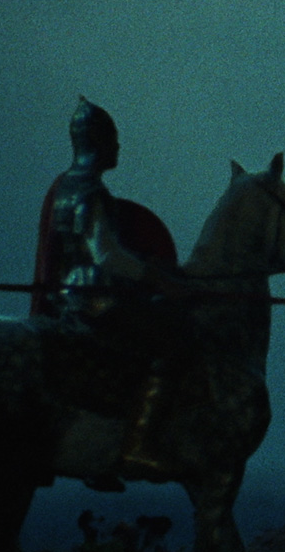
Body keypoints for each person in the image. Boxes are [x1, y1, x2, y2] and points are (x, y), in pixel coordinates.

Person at [33, 97, 188, 485]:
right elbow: (106, 254)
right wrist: (157, 278)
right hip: (95, 300)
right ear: (98, 141)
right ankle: (139, 445)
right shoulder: (90, 191)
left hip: (71, 296)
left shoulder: (65, 186)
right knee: (171, 345)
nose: (118, 146)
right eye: (114, 138)